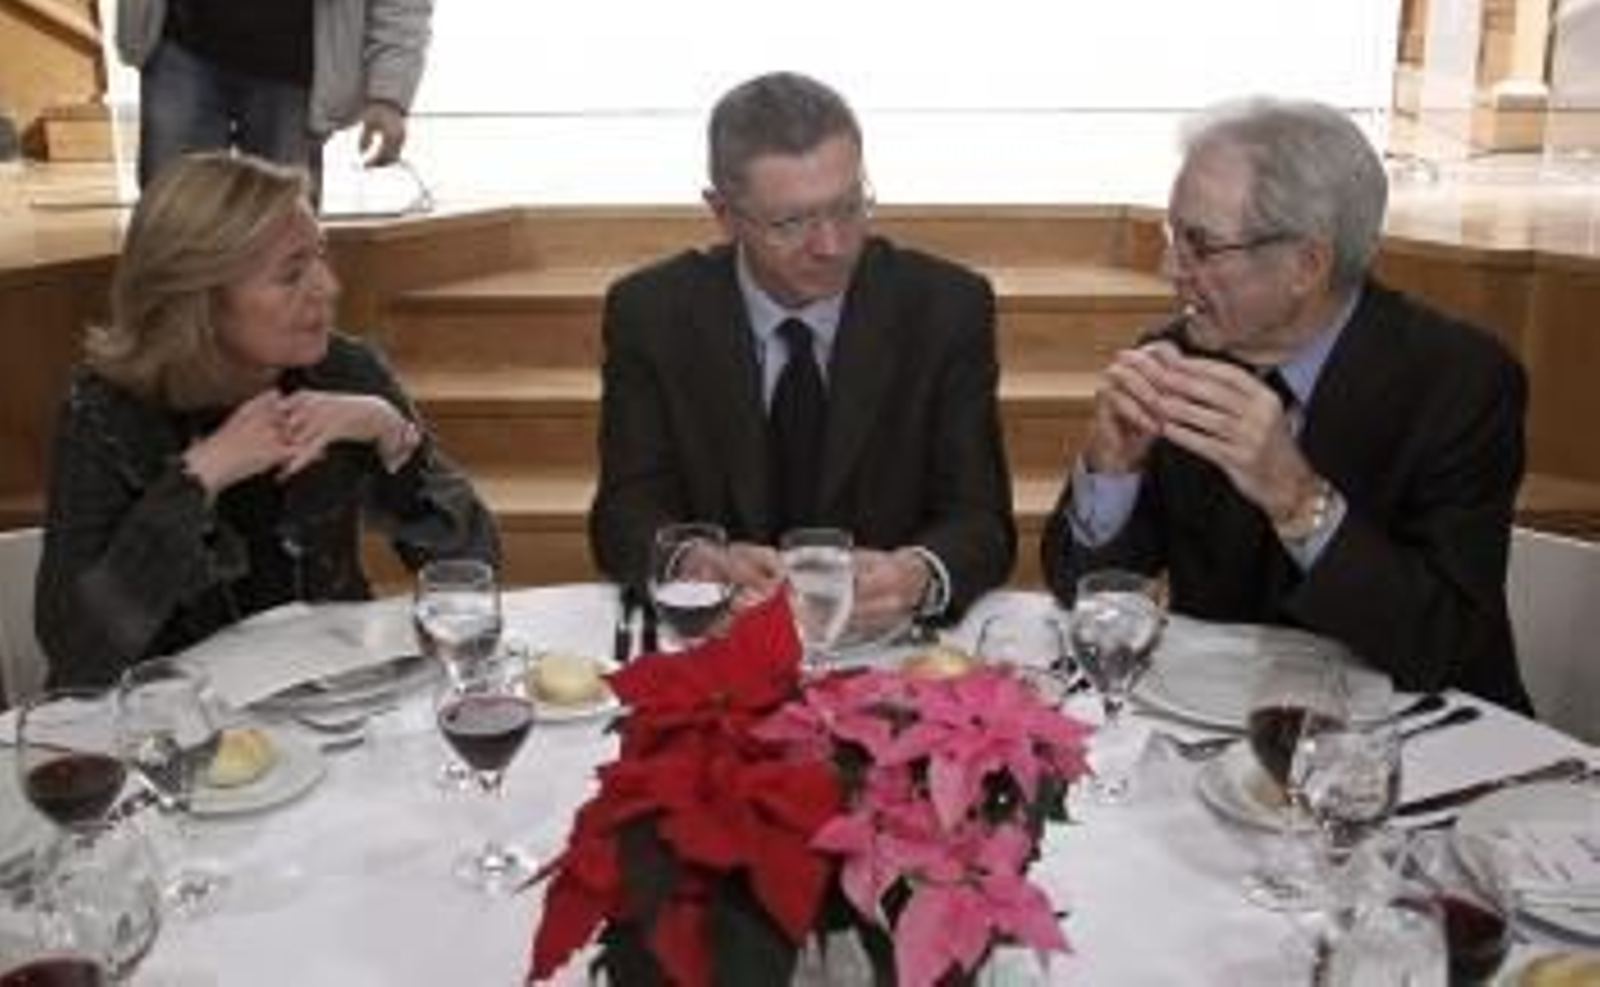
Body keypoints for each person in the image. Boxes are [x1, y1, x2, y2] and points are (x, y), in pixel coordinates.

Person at [1041, 96, 1531, 711]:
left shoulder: (1459, 382)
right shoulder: (1177, 359)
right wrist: (1110, 475)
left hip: (1415, 743)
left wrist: (1300, 500)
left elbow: (1440, 644)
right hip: (1217, 732)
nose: (1170, 266)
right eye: (1172, 236)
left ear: (1307, 264)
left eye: (1200, 244)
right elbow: (1082, 596)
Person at [36, 152, 498, 688]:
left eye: (320, 257)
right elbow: (78, 654)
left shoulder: (344, 370)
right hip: (176, 734)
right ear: (198, 298)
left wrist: (391, 434)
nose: (327, 286)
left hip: (336, 714)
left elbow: (474, 573)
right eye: (291, 273)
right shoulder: (106, 412)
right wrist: (199, 478)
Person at [588, 71, 1015, 635]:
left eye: (847, 206)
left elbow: (980, 521)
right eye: (791, 222)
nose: (832, 246)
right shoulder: (652, 311)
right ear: (723, 215)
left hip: (888, 649)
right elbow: (625, 512)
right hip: (722, 643)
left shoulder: (945, 306)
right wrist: (690, 561)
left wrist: (917, 574)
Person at [115, 0, 433, 190]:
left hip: (294, 72)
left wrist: (389, 94)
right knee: (171, 236)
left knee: (283, 238)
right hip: (182, 46)